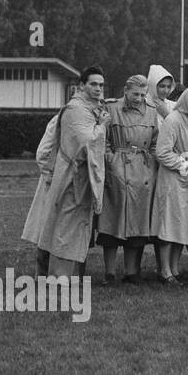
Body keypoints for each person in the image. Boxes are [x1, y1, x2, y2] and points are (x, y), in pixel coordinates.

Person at [38, 65, 109, 280]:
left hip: (82, 176)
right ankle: (59, 276)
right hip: (71, 177)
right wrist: (102, 126)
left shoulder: (91, 108)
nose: (98, 88)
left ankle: (69, 275)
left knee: (75, 226)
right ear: (81, 86)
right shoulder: (76, 109)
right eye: (93, 84)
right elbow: (85, 142)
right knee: (65, 226)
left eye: (101, 85)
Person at [97, 75, 158, 284]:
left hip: (142, 174)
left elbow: (155, 143)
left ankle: (132, 272)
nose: (139, 99)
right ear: (126, 90)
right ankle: (110, 272)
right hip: (117, 171)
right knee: (113, 222)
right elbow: (102, 139)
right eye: (135, 94)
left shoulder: (152, 112)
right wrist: (111, 160)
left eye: (143, 94)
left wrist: (148, 164)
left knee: (137, 224)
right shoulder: (112, 109)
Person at [151, 85, 188, 285]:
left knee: (181, 227)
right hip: (173, 182)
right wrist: (185, 165)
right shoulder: (173, 120)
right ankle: (165, 271)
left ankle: (174, 269)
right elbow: (162, 152)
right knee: (169, 226)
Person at [21, 106, 63, 276]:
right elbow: (43, 153)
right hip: (54, 180)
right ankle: (43, 273)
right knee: (46, 227)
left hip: (78, 183)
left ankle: (69, 273)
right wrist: (52, 176)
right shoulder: (60, 119)